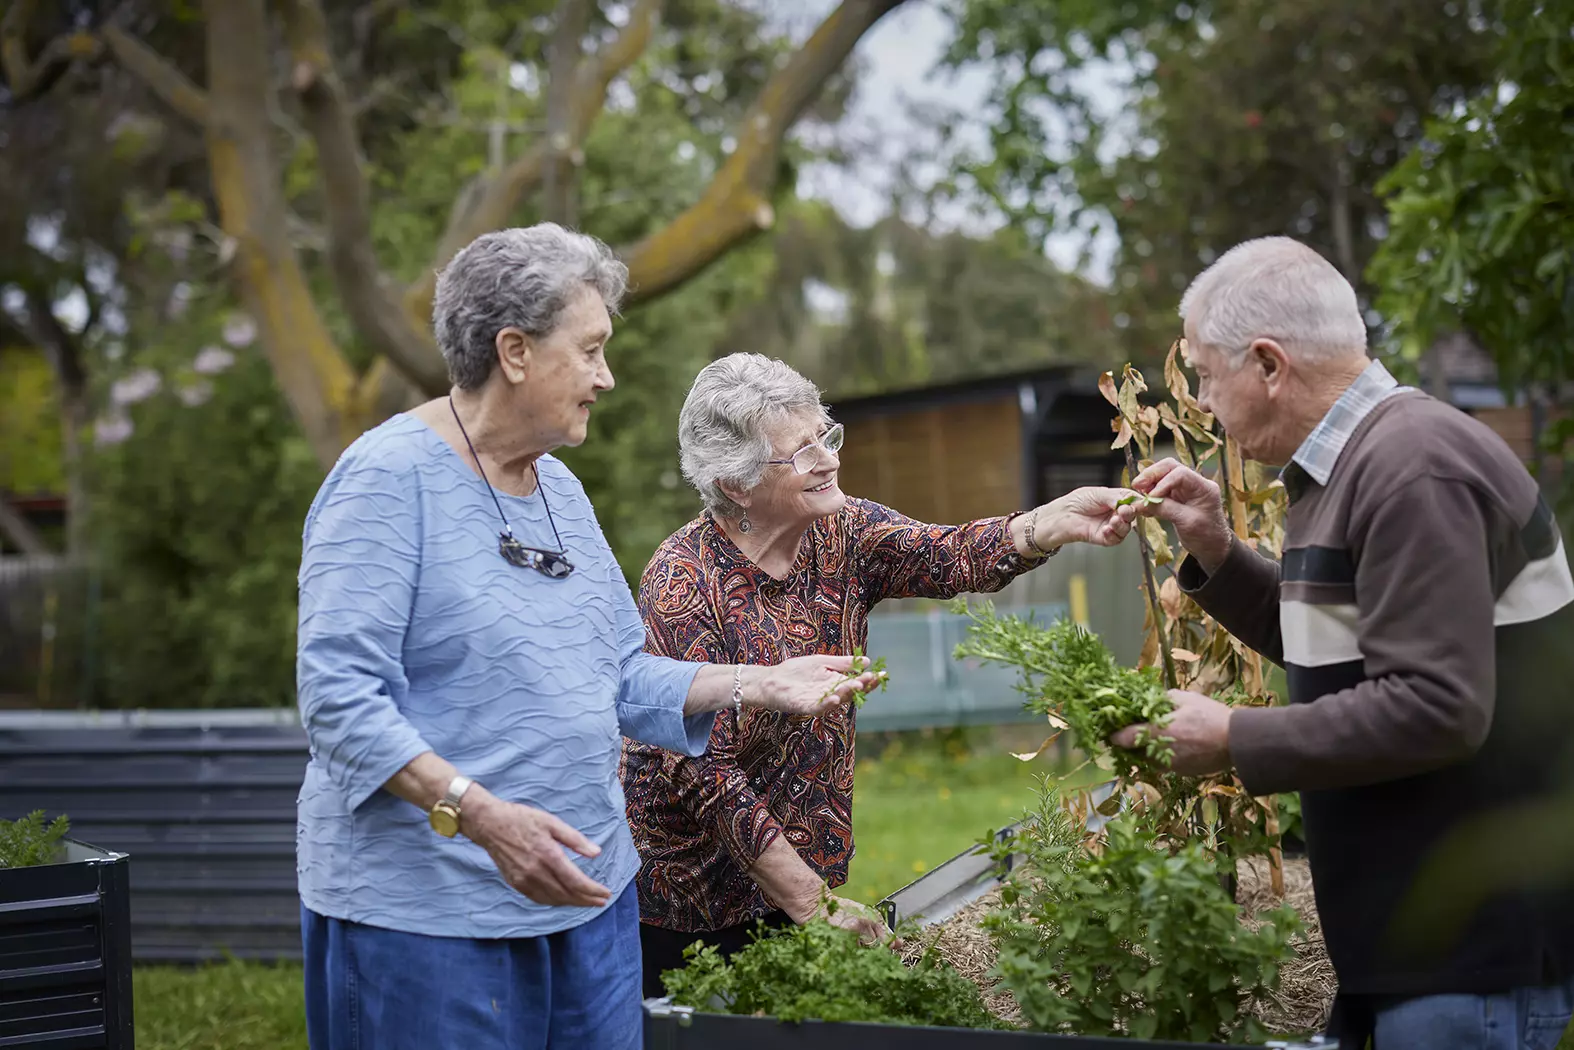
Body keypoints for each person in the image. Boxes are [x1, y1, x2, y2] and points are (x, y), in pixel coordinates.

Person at [294, 226, 881, 1050]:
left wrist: (758, 682)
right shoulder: (386, 482)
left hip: (590, 906)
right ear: (516, 352)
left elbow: (622, 674)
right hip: (432, 921)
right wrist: (485, 818)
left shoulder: (559, 489)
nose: (607, 377)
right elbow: (337, 704)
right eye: (592, 349)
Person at [1110, 236, 1574, 1049]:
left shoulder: (1412, 470)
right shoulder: (1355, 466)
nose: (1207, 409)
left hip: (1473, 959)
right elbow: (1347, 656)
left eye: (1208, 380)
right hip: (1422, 952)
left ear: (1268, 365)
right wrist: (1218, 550)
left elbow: (1437, 707)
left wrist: (1231, 737)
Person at [622, 352, 1142, 998]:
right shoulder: (682, 582)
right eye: (801, 451)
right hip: (690, 900)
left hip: (794, 879)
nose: (828, 459)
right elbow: (705, 773)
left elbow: (948, 557)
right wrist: (812, 903)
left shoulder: (844, 533)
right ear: (736, 483)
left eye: (826, 436)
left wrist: (1045, 524)